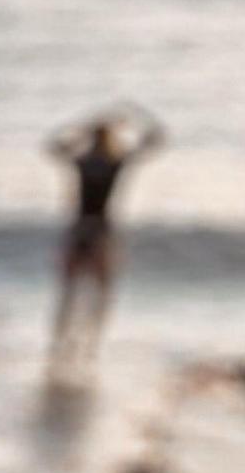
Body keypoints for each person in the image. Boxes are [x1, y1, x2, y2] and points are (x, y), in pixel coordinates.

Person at [45, 101, 165, 368]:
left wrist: (80, 128)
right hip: (101, 232)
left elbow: (53, 146)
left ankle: (60, 346)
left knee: (68, 292)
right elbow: (156, 139)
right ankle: (91, 345)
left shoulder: (84, 162)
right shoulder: (114, 163)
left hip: (79, 230)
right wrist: (136, 116)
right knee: (102, 292)